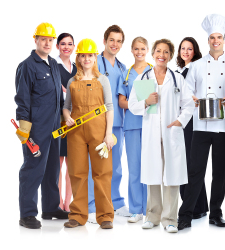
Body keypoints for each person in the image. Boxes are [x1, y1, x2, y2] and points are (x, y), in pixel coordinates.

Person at [178, 14, 225, 230]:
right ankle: (185, 215)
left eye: (219, 37)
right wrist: (192, 99)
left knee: (219, 172)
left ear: (224, 39)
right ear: (208, 40)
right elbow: (186, 92)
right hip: (201, 126)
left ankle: (216, 213)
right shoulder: (196, 66)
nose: (216, 41)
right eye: (212, 37)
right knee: (195, 171)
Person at [129, 39, 194, 233]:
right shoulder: (143, 78)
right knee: (153, 174)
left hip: (171, 132)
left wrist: (180, 121)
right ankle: (153, 216)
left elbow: (189, 104)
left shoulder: (177, 78)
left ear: (170, 55)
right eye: (159, 51)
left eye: (166, 52)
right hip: (151, 133)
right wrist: (146, 102)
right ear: (153, 53)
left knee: (172, 176)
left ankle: (170, 219)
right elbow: (133, 105)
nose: (162, 55)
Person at [15, 22, 69, 229]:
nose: (47, 43)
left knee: (52, 169)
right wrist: (24, 126)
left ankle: (50, 208)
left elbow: (59, 95)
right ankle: (27, 214)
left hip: (55, 127)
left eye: (50, 40)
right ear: (35, 39)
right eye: (43, 39)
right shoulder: (27, 66)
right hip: (36, 128)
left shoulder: (54, 65)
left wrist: (63, 117)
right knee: (33, 169)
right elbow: (22, 98)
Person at [62, 38, 115, 229]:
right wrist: (67, 117)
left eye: (90, 55)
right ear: (79, 58)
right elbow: (66, 107)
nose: (86, 59)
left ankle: (106, 216)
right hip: (75, 132)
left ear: (95, 57)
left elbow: (109, 107)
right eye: (83, 55)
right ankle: (77, 215)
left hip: (99, 131)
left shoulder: (102, 80)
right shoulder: (71, 81)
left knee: (103, 172)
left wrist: (108, 134)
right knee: (77, 172)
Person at [88, 25, 130, 223]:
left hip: (118, 123)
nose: (115, 44)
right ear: (104, 41)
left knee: (115, 165)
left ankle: (115, 201)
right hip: (97, 122)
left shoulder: (123, 68)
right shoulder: (93, 62)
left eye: (119, 41)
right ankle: (91, 205)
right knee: (94, 165)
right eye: (112, 40)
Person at [118, 37, 152, 223]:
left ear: (147, 50)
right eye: (136, 49)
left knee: (150, 166)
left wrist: (137, 103)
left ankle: (150, 209)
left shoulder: (154, 71)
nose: (139, 52)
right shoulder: (127, 73)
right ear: (132, 50)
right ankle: (136, 209)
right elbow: (121, 101)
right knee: (134, 168)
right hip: (131, 126)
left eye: (143, 48)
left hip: (150, 124)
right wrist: (137, 104)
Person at [176, 37, 208, 219]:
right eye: (183, 48)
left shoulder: (197, 69)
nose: (186, 52)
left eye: (189, 49)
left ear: (195, 51)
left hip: (192, 122)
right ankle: (198, 205)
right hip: (180, 120)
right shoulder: (178, 71)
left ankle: (196, 206)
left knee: (190, 164)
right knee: (184, 162)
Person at [56, 33, 77, 212]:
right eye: (63, 44)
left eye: (70, 44)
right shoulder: (53, 66)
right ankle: (57, 202)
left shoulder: (77, 67)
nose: (66, 47)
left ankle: (68, 203)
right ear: (57, 46)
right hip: (57, 120)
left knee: (72, 163)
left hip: (74, 121)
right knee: (58, 163)